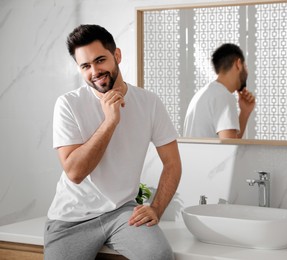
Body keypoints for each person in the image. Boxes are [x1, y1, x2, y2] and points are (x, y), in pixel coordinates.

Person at [44, 24, 182, 260]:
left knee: (159, 256)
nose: (95, 71)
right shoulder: (68, 104)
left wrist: (156, 208)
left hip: (122, 213)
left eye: (100, 60)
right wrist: (110, 121)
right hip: (71, 219)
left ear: (116, 55)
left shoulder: (149, 103)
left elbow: (172, 163)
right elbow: (75, 172)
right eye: (85, 66)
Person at [183, 43, 256, 139]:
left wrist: (245, 112)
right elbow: (229, 149)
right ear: (238, 64)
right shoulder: (224, 96)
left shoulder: (202, 94)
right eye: (245, 66)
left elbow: (229, 141)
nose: (247, 71)